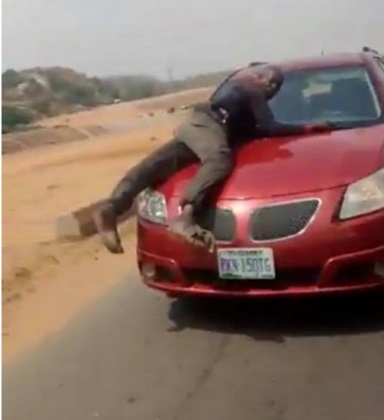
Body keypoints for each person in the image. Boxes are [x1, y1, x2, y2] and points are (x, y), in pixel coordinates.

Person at [93, 65, 330, 254]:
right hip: (210, 125)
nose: (271, 89)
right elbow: (269, 126)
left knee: (156, 165)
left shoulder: (237, 94)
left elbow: (254, 131)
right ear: (265, 80)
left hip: (197, 125)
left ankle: (111, 208)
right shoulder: (252, 88)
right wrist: (308, 127)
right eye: (273, 84)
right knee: (219, 159)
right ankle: (186, 216)